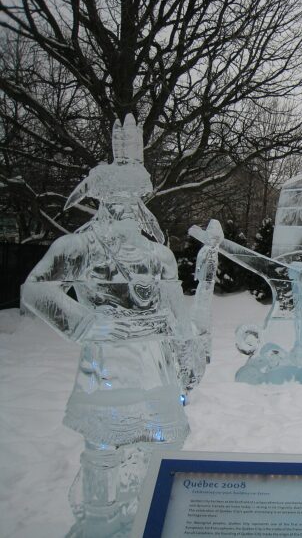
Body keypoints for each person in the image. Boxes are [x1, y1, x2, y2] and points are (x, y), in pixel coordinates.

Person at [22, 115, 217, 536]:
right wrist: (84, 324)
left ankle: (157, 512)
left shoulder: (159, 257)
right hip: (106, 368)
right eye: (121, 199)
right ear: (104, 200)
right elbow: (35, 289)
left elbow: (176, 315)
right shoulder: (77, 247)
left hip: (155, 366)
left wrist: (188, 347)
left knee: (165, 443)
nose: (131, 209)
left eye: (137, 199)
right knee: (103, 447)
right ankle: (101, 519)